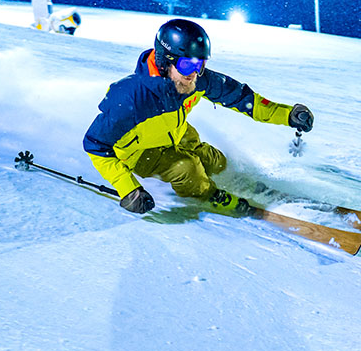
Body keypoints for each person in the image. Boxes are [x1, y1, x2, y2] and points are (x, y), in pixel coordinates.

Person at [83, 18, 314, 215]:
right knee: (187, 167)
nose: (194, 73)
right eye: (186, 65)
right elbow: (95, 145)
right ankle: (208, 195)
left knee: (214, 160)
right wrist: (129, 190)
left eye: (200, 64)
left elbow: (242, 98)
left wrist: (288, 115)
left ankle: (237, 183)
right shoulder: (132, 97)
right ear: (165, 61)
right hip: (138, 152)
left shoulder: (193, 80)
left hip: (175, 134)